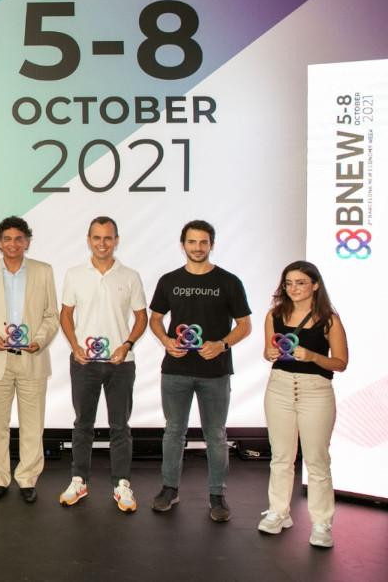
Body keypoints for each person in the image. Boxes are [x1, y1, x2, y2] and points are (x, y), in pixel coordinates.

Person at [148, 219, 251, 522]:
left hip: (216, 372)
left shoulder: (229, 282)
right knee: (173, 432)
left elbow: (245, 325)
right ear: (183, 245)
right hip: (176, 370)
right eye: (192, 242)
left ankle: (217, 495)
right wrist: (166, 340)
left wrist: (222, 344)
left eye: (203, 242)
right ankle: (169, 488)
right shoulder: (168, 280)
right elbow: (155, 319)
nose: (197, 247)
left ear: (211, 245)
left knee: (216, 435)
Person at [56, 216, 147, 512]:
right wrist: (74, 346)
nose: (102, 243)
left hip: (121, 363)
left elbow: (142, 317)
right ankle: (79, 480)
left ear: (116, 240)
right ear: (88, 239)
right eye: (97, 238)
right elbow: (66, 315)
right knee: (83, 424)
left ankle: (122, 485)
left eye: (108, 238)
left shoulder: (130, 276)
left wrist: (126, 345)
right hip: (84, 363)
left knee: (120, 426)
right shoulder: (74, 274)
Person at [256, 261, 347, 548]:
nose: (293, 288)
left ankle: (321, 522)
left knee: (317, 460)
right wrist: (269, 352)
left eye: (300, 283)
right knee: (281, 457)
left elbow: (341, 362)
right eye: (288, 283)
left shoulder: (329, 319)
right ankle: (278, 512)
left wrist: (313, 356)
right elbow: (269, 351)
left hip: (316, 391)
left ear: (315, 285)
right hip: (280, 387)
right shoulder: (274, 315)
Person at [0, 216, 58, 504]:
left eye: (19, 238)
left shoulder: (44, 272)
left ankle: (28, 478)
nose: (12, 244)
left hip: (32, 357)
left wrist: (40, 340)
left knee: (33, 425)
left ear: (27, 242)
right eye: (7, 239)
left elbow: (51, 316)